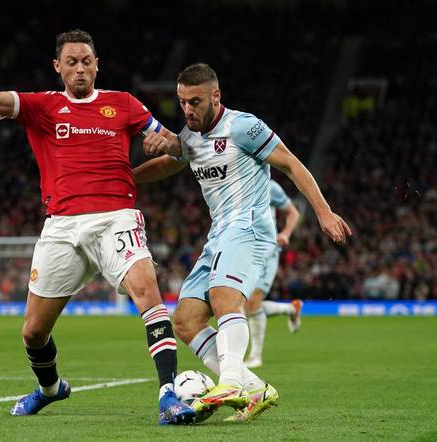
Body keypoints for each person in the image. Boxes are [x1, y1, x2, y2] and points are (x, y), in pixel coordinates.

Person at [0, 27, 195, 424]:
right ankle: (51, 389)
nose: (79, 69)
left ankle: (169, 396)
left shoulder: (123, 104)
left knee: (149, 297)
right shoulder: (42, 106)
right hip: (62, 227)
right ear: (57, 67)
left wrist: (170, 145)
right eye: (71, 62)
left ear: (97, 66)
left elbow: (178, 149)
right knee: (33, 333)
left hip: (116, 218)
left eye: (86, 62)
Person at [134, 63, 351, 423]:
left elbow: (292, 165)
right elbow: (168, 164)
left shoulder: (244, 127)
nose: (187, 109)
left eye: (196, 101)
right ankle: (255, 389)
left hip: (250, 228)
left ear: (216, 96)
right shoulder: (189, 137)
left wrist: (324, 213)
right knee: (186, 320)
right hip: (219, 234)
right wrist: (127, 180)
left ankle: (230, 381)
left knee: (224, 298)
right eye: (182, 102)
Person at [244, 179, 302, 369]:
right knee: (245, 306)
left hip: (267, 250)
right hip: (243, 250)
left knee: (252, 302)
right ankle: (291, 309)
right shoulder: (235, 182)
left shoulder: (269, 186)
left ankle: (256, 356)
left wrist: (285, 234)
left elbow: (293, 212)